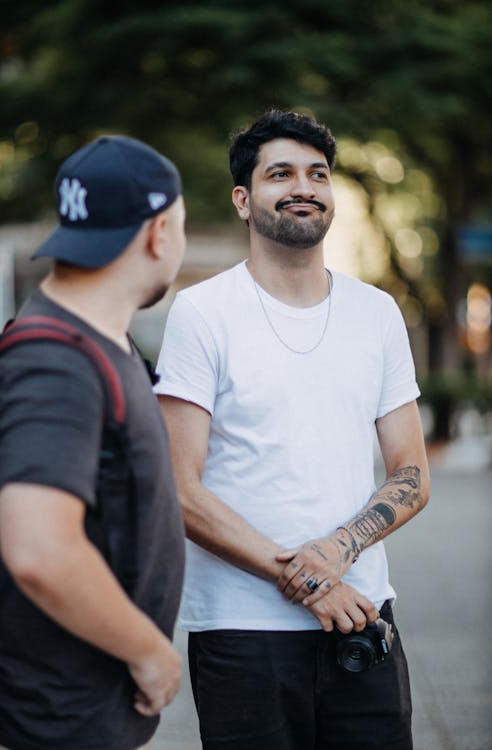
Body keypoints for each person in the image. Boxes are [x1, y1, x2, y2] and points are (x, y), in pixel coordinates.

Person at [155, 109, 430, 750]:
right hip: (240, 631)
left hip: (362, 617)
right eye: (281, 173)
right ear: (244, 200)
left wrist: (336, 555)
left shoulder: (377, 313)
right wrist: (309, 584)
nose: (303, 186)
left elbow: (411, 476)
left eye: (318, 173)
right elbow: (179, 488)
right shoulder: (202, 313)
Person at [0, 135, 187, 750]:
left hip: (81, 714)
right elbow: (39, 550)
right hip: (48, 722)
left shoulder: (104, 342)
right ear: (159, 234)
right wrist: (150, 651)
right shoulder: (57, 363)